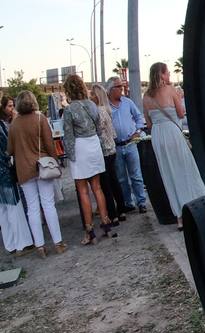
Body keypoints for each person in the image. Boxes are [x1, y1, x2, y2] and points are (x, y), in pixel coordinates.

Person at [142, 62, 205, 228]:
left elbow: (148, 123)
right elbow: (181, 113)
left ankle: (179, 217)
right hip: (172, 132)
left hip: (158, 136)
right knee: (186, 169)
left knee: (168, 175)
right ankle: (198, 205)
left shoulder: (146, 97)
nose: (170, 75)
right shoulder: (171, 90)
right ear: (162, 74)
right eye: (167, 72)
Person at [61, 74, 118, 245]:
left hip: (80, 147)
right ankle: (106, 223)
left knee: (83, 191)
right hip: (94, 145)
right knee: (97, 187)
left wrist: (70, 157)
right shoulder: (92, 105)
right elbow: (99, 129)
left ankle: (89, 231)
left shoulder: (69, 110)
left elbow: (68, 137)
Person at [9, 91, 65, 256]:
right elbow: (49, 144)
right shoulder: (40, 119)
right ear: (33, 102)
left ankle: (40, 246)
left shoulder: (14, 124)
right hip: (42, 167)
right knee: (48, 205)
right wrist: (56, 162)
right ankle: (58, 243)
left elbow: (10, 150)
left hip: (24, 170)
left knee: (32, 208)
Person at [106, 76, 149, 213]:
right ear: (111, 90)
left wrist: (138, 130)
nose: (122, 89)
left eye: (122, 86)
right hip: (116, 147)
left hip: (131, 144)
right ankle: (127, 202)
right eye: (119, 87)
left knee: (136, 175)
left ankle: (141, 202)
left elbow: (139, 117)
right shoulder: (106, 106)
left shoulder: (127, 102)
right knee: (122, 178)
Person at [0, 94, 34, 255]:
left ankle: (11, 244)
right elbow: (8, 148)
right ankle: (22, 243)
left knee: (3, 211)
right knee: (13, 207)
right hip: (4, 171)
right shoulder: (2, 126)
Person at [89, 84, 127, 224]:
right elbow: (112, 132)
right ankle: (121, 209)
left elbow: (97, 133)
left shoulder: (96, 112)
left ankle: (112, 214)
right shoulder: (107, 110)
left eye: (92, 94)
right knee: (114, 180)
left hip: (103, 150)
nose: (90, 97)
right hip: (111, 148)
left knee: (105, 184)